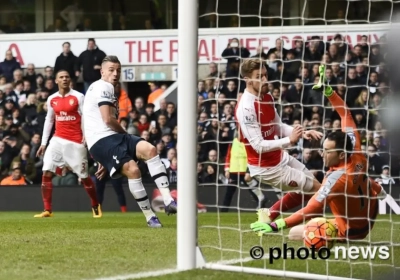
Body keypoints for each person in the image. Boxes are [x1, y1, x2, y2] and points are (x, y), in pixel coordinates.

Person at [250, 65, 387, 240]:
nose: (322, 154)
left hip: (353, 229)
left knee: (294, 234)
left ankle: (279, 218)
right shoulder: (355, 148)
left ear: (342, 155)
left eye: (328, 151)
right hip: (370, 212)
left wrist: (276, 226)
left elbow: (312, 208)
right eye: (323, 149)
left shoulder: (335, 178)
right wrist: (329, 91)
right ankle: (379, 191)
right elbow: (345, 114)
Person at [83, 55, 177, 228]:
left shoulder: (102, 89)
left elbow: (90, 120)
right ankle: (150, 216)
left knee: (150, 150)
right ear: (102, 71)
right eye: (111, 70)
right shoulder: (103, 87)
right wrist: (106, 149)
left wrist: (102, 157)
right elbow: (107, 119)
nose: (115, 73)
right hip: (104, 139)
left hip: (107, 139)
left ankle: (168, 199)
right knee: (133, 170)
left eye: (118, 70)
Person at [235, 58, 323, 223]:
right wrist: (289, 140)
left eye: (265, 75)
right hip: (265, 167)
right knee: (319, 191)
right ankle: (322, 229)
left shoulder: (267, 96)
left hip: (278, 156)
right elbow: (258, 146)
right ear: (247, 80)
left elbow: (278, 126)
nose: (264, 80)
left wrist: (302, 132)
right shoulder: (246, 108)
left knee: (311, 188)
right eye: (259, 76)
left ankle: (268, 216)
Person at [34, 70, 101, 218]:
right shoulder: (52, 99)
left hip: (76, 141)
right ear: (56, 81)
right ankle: (47, 210)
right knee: (46, 171)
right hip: (57, 139)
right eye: (61, 77)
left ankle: (95, 204)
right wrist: (44, 142)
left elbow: (85, 117)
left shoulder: (78, 96)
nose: (65, 79)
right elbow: (49, 120)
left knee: (84, 176)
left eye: (67, 77)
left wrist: (86, 136)